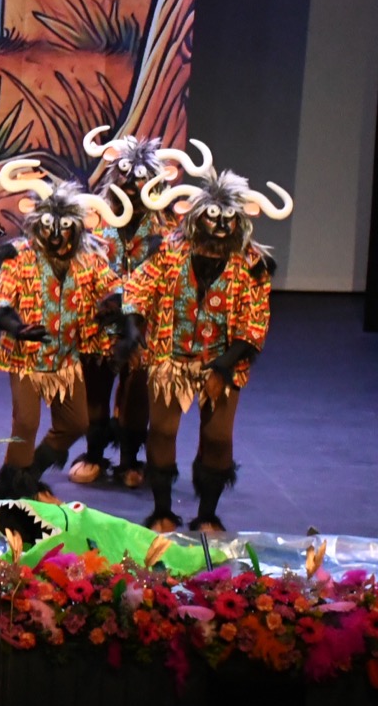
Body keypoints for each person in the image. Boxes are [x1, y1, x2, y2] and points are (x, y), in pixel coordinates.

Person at [119, 143, 290, 532]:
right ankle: (162, 510)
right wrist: (133, 330)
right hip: (170, 357)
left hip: (222, 359)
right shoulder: (170, 251)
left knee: (218, 438)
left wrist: (223, 368)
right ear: (197, 217)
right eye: (213, 217)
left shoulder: (252, 263)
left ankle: (208, 513)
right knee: (162, 431)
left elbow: (254, 322)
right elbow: (137, 289)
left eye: (229, 218)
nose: (221, 225)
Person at [0, 161, 131, 503]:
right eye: (49, 226)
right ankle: (15, 495)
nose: (55, 234)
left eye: (64, 227)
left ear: (75, 228)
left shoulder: (89, 259)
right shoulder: (21, 257)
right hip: (26, 359)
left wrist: (113, 305)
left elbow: (114, 287)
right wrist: (17, 327)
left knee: (75, 423)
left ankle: (28, 475)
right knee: (25, 424)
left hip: (65, 359)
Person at [73, 127, 174, 487]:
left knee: (136, 395)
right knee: (96, 391)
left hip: (145, 324)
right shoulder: (96, 220)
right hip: (101, 319)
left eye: (140, 178)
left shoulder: (167, 227)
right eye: (126, 176)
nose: (132, 185)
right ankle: (94, 453)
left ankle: (130, 459)